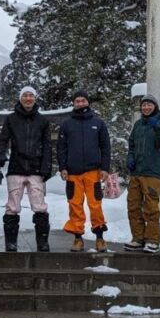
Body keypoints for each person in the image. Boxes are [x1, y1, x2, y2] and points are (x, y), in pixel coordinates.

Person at [0, 86, 52, 252]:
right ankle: (11, 242)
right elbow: (3, 139)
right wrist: (0, 155)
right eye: (25, 96)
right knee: (12, 206)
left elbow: (47, 145)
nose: (28, 99)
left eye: (31, 96)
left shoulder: (42, 121)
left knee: (39, 205)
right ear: (20, 98)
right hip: (16, 166)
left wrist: (46, 166)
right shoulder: (11, 119)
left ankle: (42, 242)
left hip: (36, 169)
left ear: (35, 99)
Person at [57, 90, 111, 252]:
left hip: (93, 171)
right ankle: (77, 238)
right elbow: (61, 148)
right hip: (73, 173)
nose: (80, 103)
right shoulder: (67, 124)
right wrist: (63, 167)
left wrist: (104, 168)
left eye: (83, 100)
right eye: (77, 101)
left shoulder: (98, 123)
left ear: (88, 102)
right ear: (73, 103)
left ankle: (100, 238)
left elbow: (105, 147)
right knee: (75, 205)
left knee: (95, 205)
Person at [124, 94, 160, 254]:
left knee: (151, 207)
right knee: (133, 206)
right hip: (136, 172)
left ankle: (152, 240)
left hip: (152, 172)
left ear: (155, 106)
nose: (146, 108)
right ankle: (138, 238)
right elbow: (131, 144)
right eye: (144, 105)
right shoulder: (138, 124)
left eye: (149, 105)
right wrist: (130, 158)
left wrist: (156, 126)